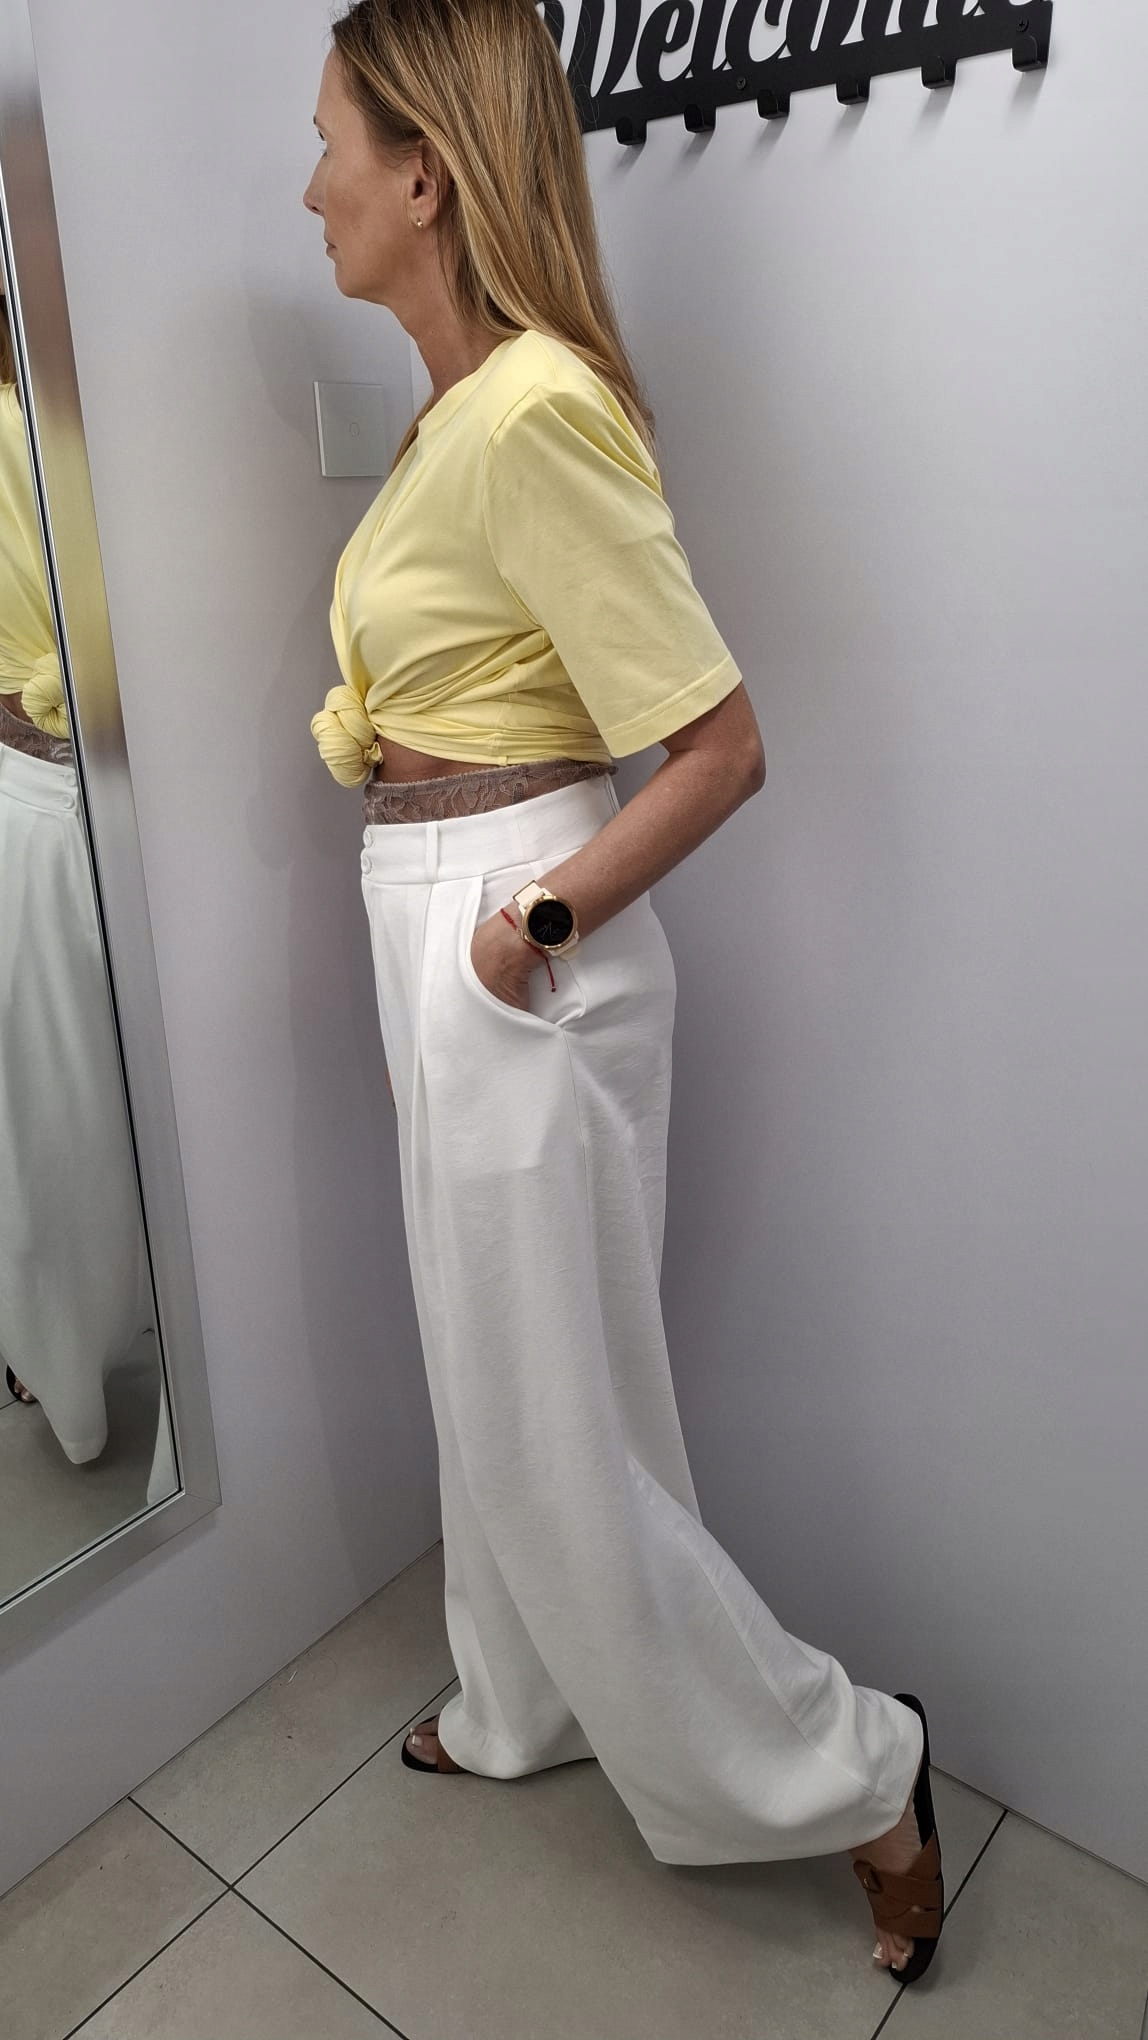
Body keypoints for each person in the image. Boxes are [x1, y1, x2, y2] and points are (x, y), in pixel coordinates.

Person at [304, 0, 943, 1984]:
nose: (310, 186)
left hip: (507, 922)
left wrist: (529, 930)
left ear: (423, 173)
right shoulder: (446, 417)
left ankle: (855, 1771)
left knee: (554, 1421)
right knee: (487, 1373)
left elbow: (720, 746)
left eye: (330, 142)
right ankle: (521, 1700)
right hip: (438, 903)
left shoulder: (530, 408)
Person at [0, 282, 153, 1464]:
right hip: (53, 781)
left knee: (59, 1116)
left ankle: (75, 1385)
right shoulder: (65, 405)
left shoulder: (49, 409)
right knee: (67, 1113)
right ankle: (79, 1378)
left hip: (54, 784)